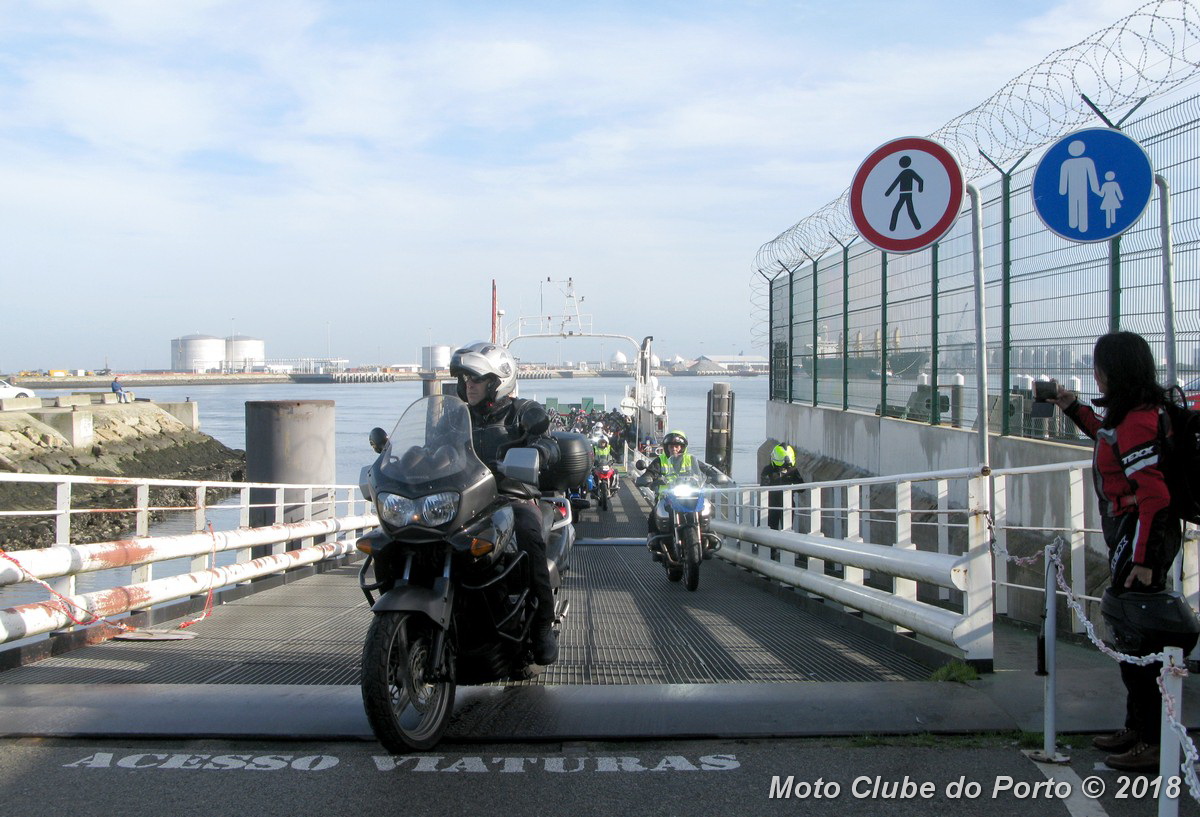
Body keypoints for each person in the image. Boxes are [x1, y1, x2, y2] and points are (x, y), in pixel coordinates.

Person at [1050, 331, 1181, 773]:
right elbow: (1106, 436)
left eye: (1099, 366)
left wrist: (1143, 561)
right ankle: (1136, 727)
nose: (1095, 374)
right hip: (1131, 532)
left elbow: (1155, 498)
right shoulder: (1130, 414)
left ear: (1115, 370)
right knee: (1130, 635)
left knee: (1141, 640)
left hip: (1141, 535)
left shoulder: (1139, 420)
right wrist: (1073, 408)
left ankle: (1152, 740)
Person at [449, 341, 560, 665]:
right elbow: (434, 447)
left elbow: (549, 443)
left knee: (528, 538)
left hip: (513, 497)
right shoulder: (456, 417)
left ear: (498, 381)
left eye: (477, 378)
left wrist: (538, 452)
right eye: (465, 379)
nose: (469, 385)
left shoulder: (523, 411)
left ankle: (542, 627)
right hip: (466, 501)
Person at [636, 429, 730, 549]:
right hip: (667, 497)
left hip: (689, 495)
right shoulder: (660, 460)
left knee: (706, 509)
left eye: (677, 446)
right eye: (671, 446)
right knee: (654, 515)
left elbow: (705, 469)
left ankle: (708, 534)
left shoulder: (690, 459)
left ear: (683, 447)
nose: (674, 449)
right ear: (666, 447)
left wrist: (715, 476)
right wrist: (647, 478)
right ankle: (652, 537)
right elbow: (650, 472)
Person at [760, 443, 804, 531]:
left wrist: (793, 486)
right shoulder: (768, 469)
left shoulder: (793, 470)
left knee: (787, 528)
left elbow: (802, 488)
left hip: (787, 504)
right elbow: (763, 486)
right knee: (771, 528)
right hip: (771, 505)